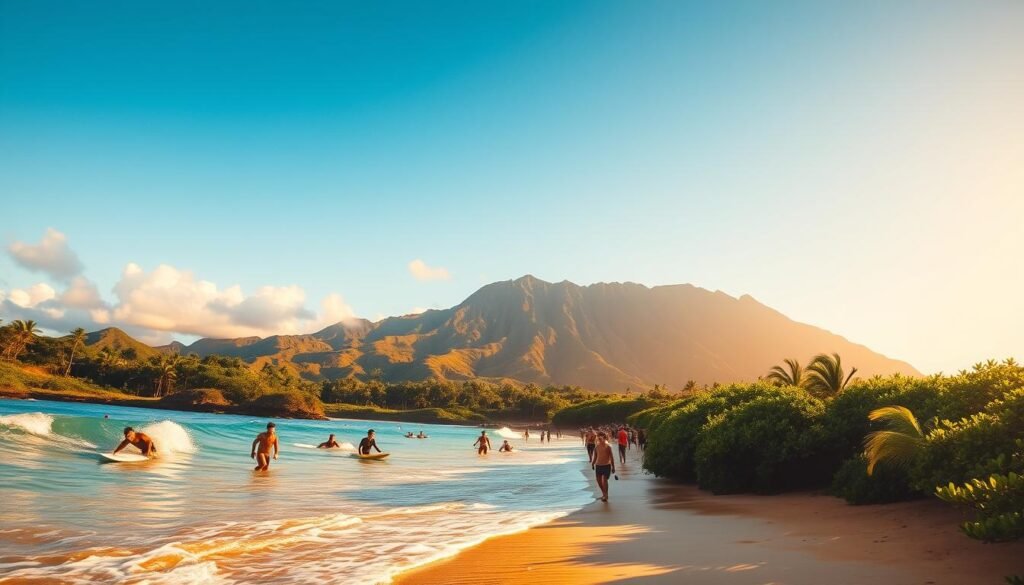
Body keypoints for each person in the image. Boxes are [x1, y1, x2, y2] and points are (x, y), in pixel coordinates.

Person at [593, 432, 615, 502]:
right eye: (598, 436)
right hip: (598, 465)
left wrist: (613, 467)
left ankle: (605, 495)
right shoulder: (596, 446)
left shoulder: (608, 446)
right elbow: (595, 456)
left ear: (604, 437)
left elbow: (611, 457)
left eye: (601, 436)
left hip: (606, 465)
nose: (599, 437)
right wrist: (592, 463)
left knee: (604, 481)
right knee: (599, 481)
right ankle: (604, 494)